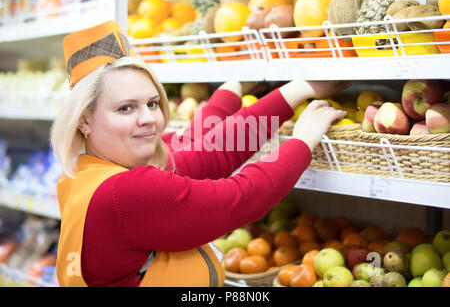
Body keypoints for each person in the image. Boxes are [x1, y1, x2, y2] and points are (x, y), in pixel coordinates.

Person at [51, 21, 349, 287]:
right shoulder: (124, 192)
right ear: (84, 121)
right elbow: (239, 197)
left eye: (152, 103)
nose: (148, 119)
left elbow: (205, 149)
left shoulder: (90, 174)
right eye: (125, 108)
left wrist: (289, 91)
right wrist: (302, 141)